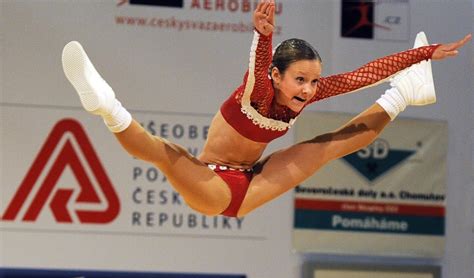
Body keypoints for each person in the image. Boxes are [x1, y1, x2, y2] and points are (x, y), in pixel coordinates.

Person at [62, 0, 470, 218]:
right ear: (277, 76)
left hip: (253, 179)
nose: (309, 90)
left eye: (314, 81)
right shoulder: (258, 91)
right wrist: (262, 33)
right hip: (216, 186)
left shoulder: (307, 92)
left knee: (330, 145)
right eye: (300, 80)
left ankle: (404, 93)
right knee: (164, 154)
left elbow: (364, 74)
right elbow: (258, 62)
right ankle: (105, 103)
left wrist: (425, 54)